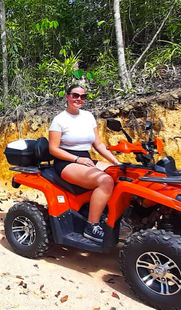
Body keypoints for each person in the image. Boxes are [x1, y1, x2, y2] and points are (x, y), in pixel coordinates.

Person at [48, 85, 120, 243]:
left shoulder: (88, 116)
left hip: (86, 159)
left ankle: (109, 216)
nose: (78, 99)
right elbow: (53, 149)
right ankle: (91, 226)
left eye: (82, 96)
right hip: (67, 162)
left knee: (121, 174)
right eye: (75, 95)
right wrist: (77, 160)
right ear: (67, 96)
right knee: (105, 181)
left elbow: (99, 144)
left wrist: (116, 162)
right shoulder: (59, 120)